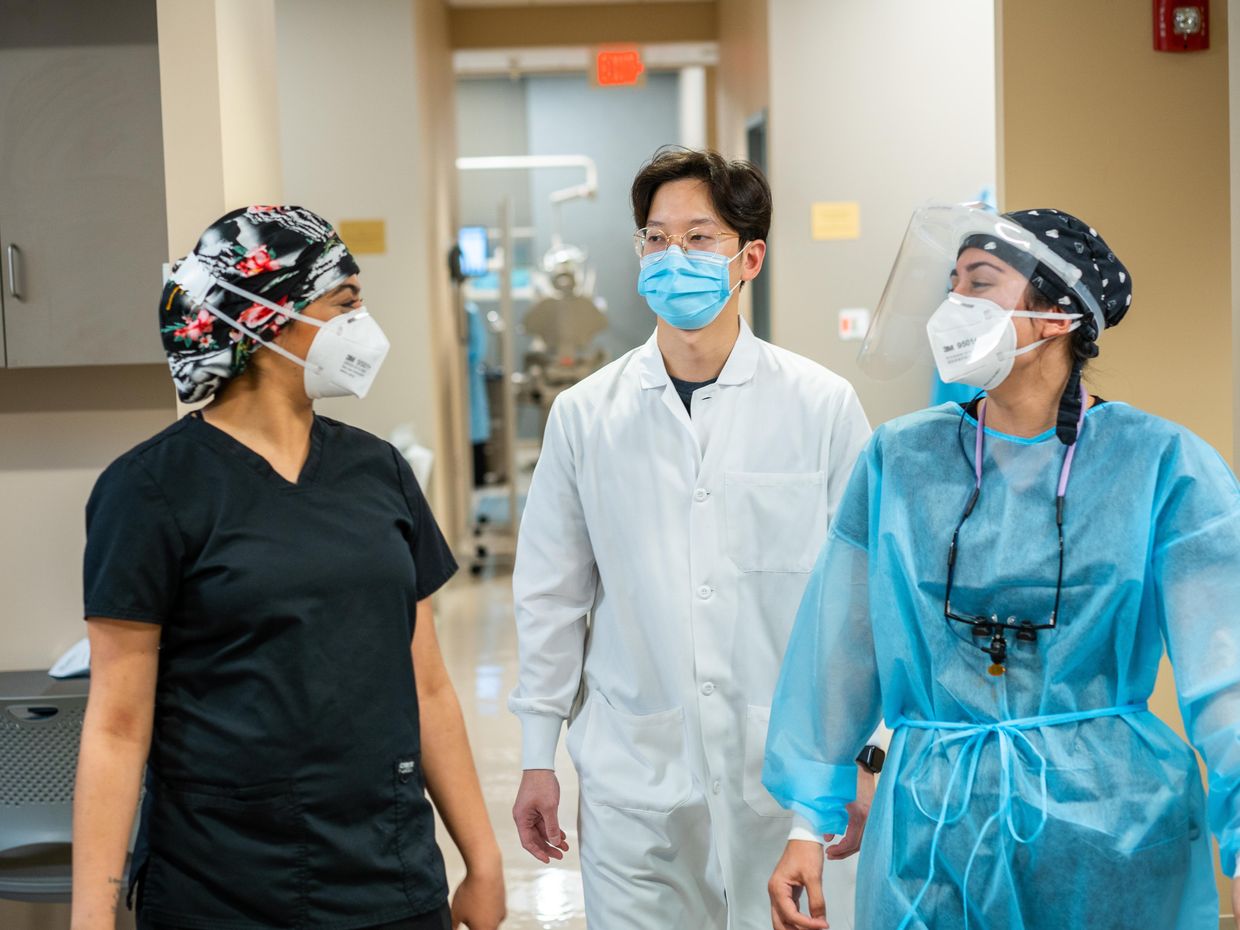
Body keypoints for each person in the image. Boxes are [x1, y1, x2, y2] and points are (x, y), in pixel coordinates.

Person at [763, 203, 1240, 930]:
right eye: (950, 283)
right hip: (932, 827)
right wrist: (807, 820)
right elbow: (841, 650)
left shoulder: (1162, 466)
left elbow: (1225, 670)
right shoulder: (900, 459)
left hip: (1113, 826)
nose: (954, 306)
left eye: (980, 283)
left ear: (1060, 315)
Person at [72, 206, 507, 930]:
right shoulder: (148, 490)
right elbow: (117, 724)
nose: (363, 325)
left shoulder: (379, 472)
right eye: (345, 304)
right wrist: (92, 916)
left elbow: (427, 686)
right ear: (266, 318)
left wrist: (482, 860)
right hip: (223, 884)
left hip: (388, 872)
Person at [508, 148, 885, 930]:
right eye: (654, 238)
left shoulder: (821, 406)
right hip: (636, 782)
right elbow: (551, 595)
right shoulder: (585, 416)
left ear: (750, 257)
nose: (671, 256)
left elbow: (865, 598)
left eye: (699, 238)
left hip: (787, 788)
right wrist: (537, 754)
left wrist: (866, 752)